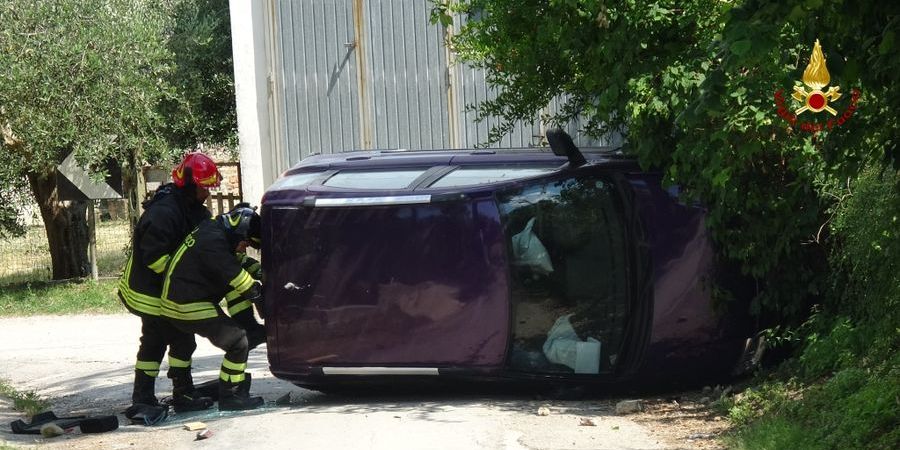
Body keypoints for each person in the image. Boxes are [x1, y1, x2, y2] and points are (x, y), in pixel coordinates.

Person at [117, 152, 221, 415]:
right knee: (163, 341)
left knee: (174, 341)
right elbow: (155, 257)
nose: (207, 193)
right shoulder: (164, 212)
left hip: (170, 292)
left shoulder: (192, 210)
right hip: (150, 293)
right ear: (189, 184)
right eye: (203, 187)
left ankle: (170, 394)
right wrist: (188, 279)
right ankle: (157, 396)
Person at [159, 206, 266, 411]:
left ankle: (183, 395)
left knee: (184, 346)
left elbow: (238, 260)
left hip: (175, 301)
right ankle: (231, 395)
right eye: (246, 243)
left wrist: (262, 271)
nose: (244, 248)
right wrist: (259, 296)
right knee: (238, 342)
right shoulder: (214, 244)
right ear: (238, 233)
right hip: (187, 303)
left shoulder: (214, 232)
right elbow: (237, 276)